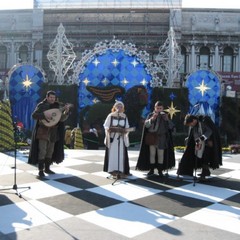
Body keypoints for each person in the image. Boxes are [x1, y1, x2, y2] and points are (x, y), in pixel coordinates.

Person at [28, 90, 70, 177]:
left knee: (50, 151)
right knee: (42, 150)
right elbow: (34, 115)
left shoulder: (57, 106)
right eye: (51, 97)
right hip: (43, 131)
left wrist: (66, 112)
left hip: (54, 131)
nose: (52, 99)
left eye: (54, 97)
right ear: (47, 97)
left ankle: (47, 168)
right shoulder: (41, 105)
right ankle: (40, 170)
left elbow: (61, 119)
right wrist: (44, 116)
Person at [177, 114, 222, 180]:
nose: (191, 125)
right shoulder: (194, 125)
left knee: (206, 157)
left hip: (209, 142)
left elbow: (209, 131)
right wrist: (196, 142)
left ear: (194, 120)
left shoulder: (203, 121)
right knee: (202, 157)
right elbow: (195, 134)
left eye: (191, 124)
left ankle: (204, 174)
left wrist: (201, 139)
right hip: (201, 142)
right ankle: (206, 171)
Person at [136, 101, 175, 177]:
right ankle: (151, 169)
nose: (159, 110)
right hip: (152, 137)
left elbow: (171, 127)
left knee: (161, 154)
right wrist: (152, 119)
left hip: (162, 138)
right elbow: (146, 126)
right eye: (157, 108)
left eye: (160, 108)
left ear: (163, 108)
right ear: (155, 108)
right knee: (152, 154)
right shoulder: (150, 115)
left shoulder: (165, 116)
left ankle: (160, 170)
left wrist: (167, 120)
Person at [103, 101, 131, 179]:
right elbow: (106, 125)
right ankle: (112, 169)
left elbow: (127, 126)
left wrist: (126, 130)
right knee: (112, 153)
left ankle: (121, 170)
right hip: (112, 138)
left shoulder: (124, 116)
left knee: (120, 154)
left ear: (123, 108)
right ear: (114, 107)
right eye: (118, 106)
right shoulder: (110, 116)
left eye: (121, 106)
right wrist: (108, 129)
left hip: (121, 138)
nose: (119, 108)